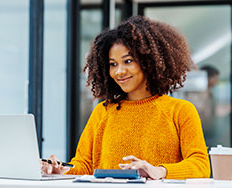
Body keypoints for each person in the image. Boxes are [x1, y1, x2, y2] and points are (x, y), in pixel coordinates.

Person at [41, 16, 210, 180]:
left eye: (128, 61)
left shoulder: (180, 111)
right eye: (113, 64)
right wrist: (61, 170)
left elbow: (201, 165)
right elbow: (84, 165)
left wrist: (158, 171)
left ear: (149, 61)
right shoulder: (103, 112)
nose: (119, 71)